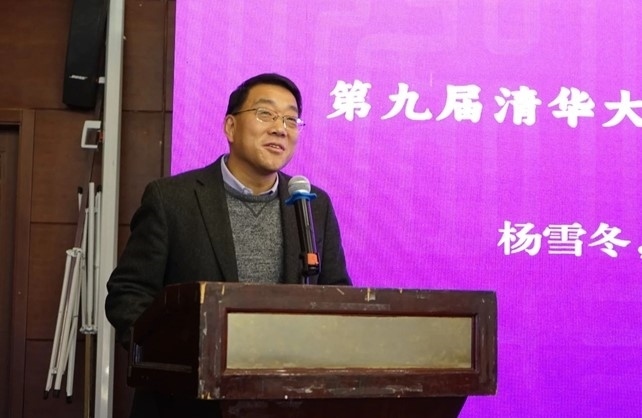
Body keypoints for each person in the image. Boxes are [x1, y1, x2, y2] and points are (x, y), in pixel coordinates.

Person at [105, 73, 351, 418]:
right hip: (185, 405)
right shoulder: (171, 199)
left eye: (291, 119)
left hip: (285, 404)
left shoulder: (313, 204)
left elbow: (336, 295)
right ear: (231, 127)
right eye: (266, 114)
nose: (280, 129)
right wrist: (176, 360)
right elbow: (128, 295)